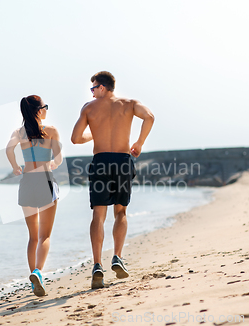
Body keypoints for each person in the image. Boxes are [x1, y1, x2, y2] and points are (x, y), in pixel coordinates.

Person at [71, 71, 155, 289]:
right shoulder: (129, 104)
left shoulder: (89, 108)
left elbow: (75, 138)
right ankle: (117, 257)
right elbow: (150, 117)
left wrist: (94, 134)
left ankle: (97, 264)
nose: (91, 93)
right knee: (121, 211)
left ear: (102, 87)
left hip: (100, 162)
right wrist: (139, 143)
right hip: (122, 161)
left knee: (98, 215)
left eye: (92, 88)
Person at [6, 95, 62, 296]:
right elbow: (59, 157)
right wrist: (54, 163)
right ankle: (38, 272)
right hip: (45, 181)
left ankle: (33, 279)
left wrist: (15, 167)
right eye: (45, 107)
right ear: (39, 111)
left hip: (27, 182)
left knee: (32, 237)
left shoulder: (19, 132)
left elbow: (9, 149)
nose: (46, 110)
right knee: (45, 235)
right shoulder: (51, 131)